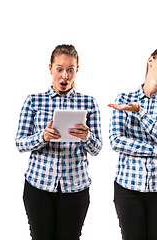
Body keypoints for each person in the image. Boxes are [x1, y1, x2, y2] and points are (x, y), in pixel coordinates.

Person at [15, 44, 102, 240]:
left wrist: (86, 136)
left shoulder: (88, 103)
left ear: (77, 70)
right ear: (50, 68)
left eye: (70, 70)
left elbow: (97, 149)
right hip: (38, 187)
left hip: (75, 188)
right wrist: (42, 137)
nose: (65, 76)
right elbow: (20, 143)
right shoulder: (33, 101)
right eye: (60, 69)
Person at [108, 45, 157, 240]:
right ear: (151, 60)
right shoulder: (124, 99)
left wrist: (140, 112)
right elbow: (116, 141)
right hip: (128, 188)